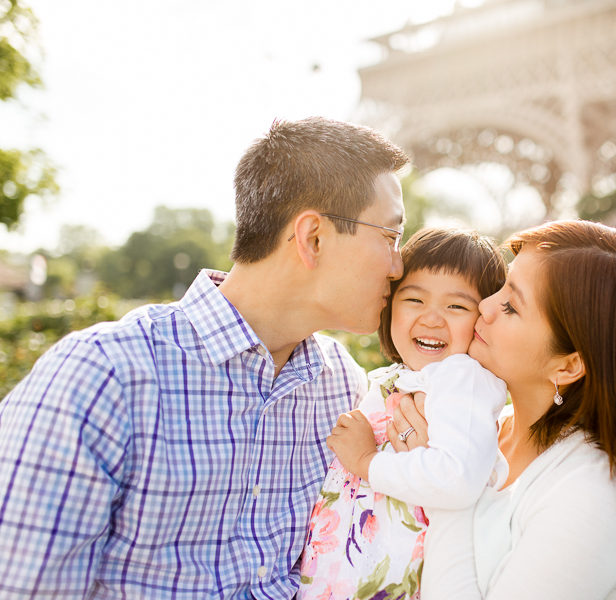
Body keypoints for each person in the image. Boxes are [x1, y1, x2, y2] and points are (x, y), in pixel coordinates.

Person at [0, 117, 409, 598]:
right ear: (313, 237)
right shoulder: (102, 377)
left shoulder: (344, 383)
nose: (399, 266)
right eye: (390, 236)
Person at [340, 219, 616, 599]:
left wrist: (445, 484)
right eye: (501, 287)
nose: (483, 306)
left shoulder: (592, 493)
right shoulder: (475, 423)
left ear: (567, 365)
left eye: (511, 306)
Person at [297, 227, 509, 600]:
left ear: (484, 320)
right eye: (414, 299)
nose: (432, 318)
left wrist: (365, 460)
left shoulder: (462, 379)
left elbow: (456, 479)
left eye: (456, 306)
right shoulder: (399, 380)